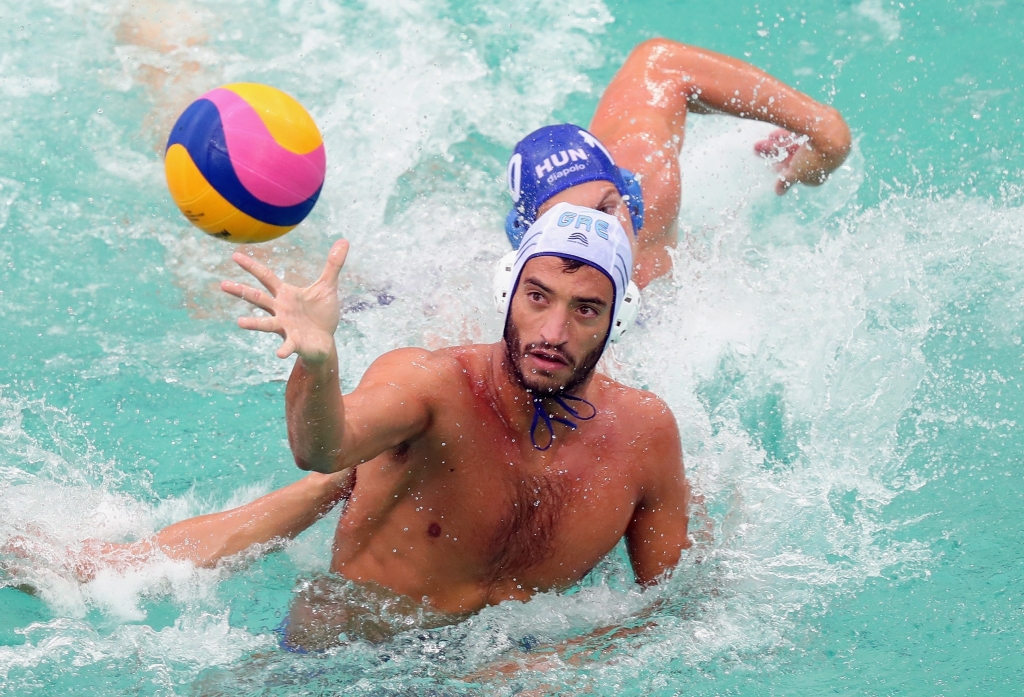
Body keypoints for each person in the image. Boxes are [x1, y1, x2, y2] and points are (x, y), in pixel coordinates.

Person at [68, 203, 691, 651]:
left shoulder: (644, 435)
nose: (553, 332)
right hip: (347, 659)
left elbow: (674, 608)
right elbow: (320, 448)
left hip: (507, 668)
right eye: (538, 297)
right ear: (507, 291)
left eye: (584, 309)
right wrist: (319, 359)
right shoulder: (431, 386)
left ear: (617, 319)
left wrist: (566, 661)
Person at [504, 38, 852, 289]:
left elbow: (660, 63)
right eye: (566, 224)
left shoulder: (651, 183)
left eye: (606, 211)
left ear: (631, 202)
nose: (595, 236)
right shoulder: (512, 314)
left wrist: (826, 138)